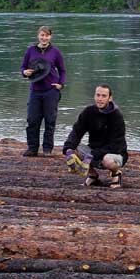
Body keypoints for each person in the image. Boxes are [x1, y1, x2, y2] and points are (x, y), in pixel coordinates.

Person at [62, 84, 128, 188]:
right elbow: (76, 131)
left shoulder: (116, 116)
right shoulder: (88, 112)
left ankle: (116, 174)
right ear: (94, 96)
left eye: (103, 96)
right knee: (74, 150)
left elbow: (116, 145)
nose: (100, 99)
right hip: (94, 149)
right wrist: (68, 149)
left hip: (115, 153)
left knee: (107, 160)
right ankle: (93, 176)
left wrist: (92, 155)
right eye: (98, 95)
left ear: (110, 98)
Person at [20, 26, 66, 156]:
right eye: (42, 35)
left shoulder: (55, 52)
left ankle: (47, 150)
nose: (44, 38)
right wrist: (24, 72)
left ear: (50, 37)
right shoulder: (30, 51)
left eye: (46, 35)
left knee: (50, 121)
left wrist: (61, 84)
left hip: (51, 90)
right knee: (32, 120)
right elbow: (23, 67)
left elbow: (62, 70)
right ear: (38, 36)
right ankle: (32, 148)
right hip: (35, 90)